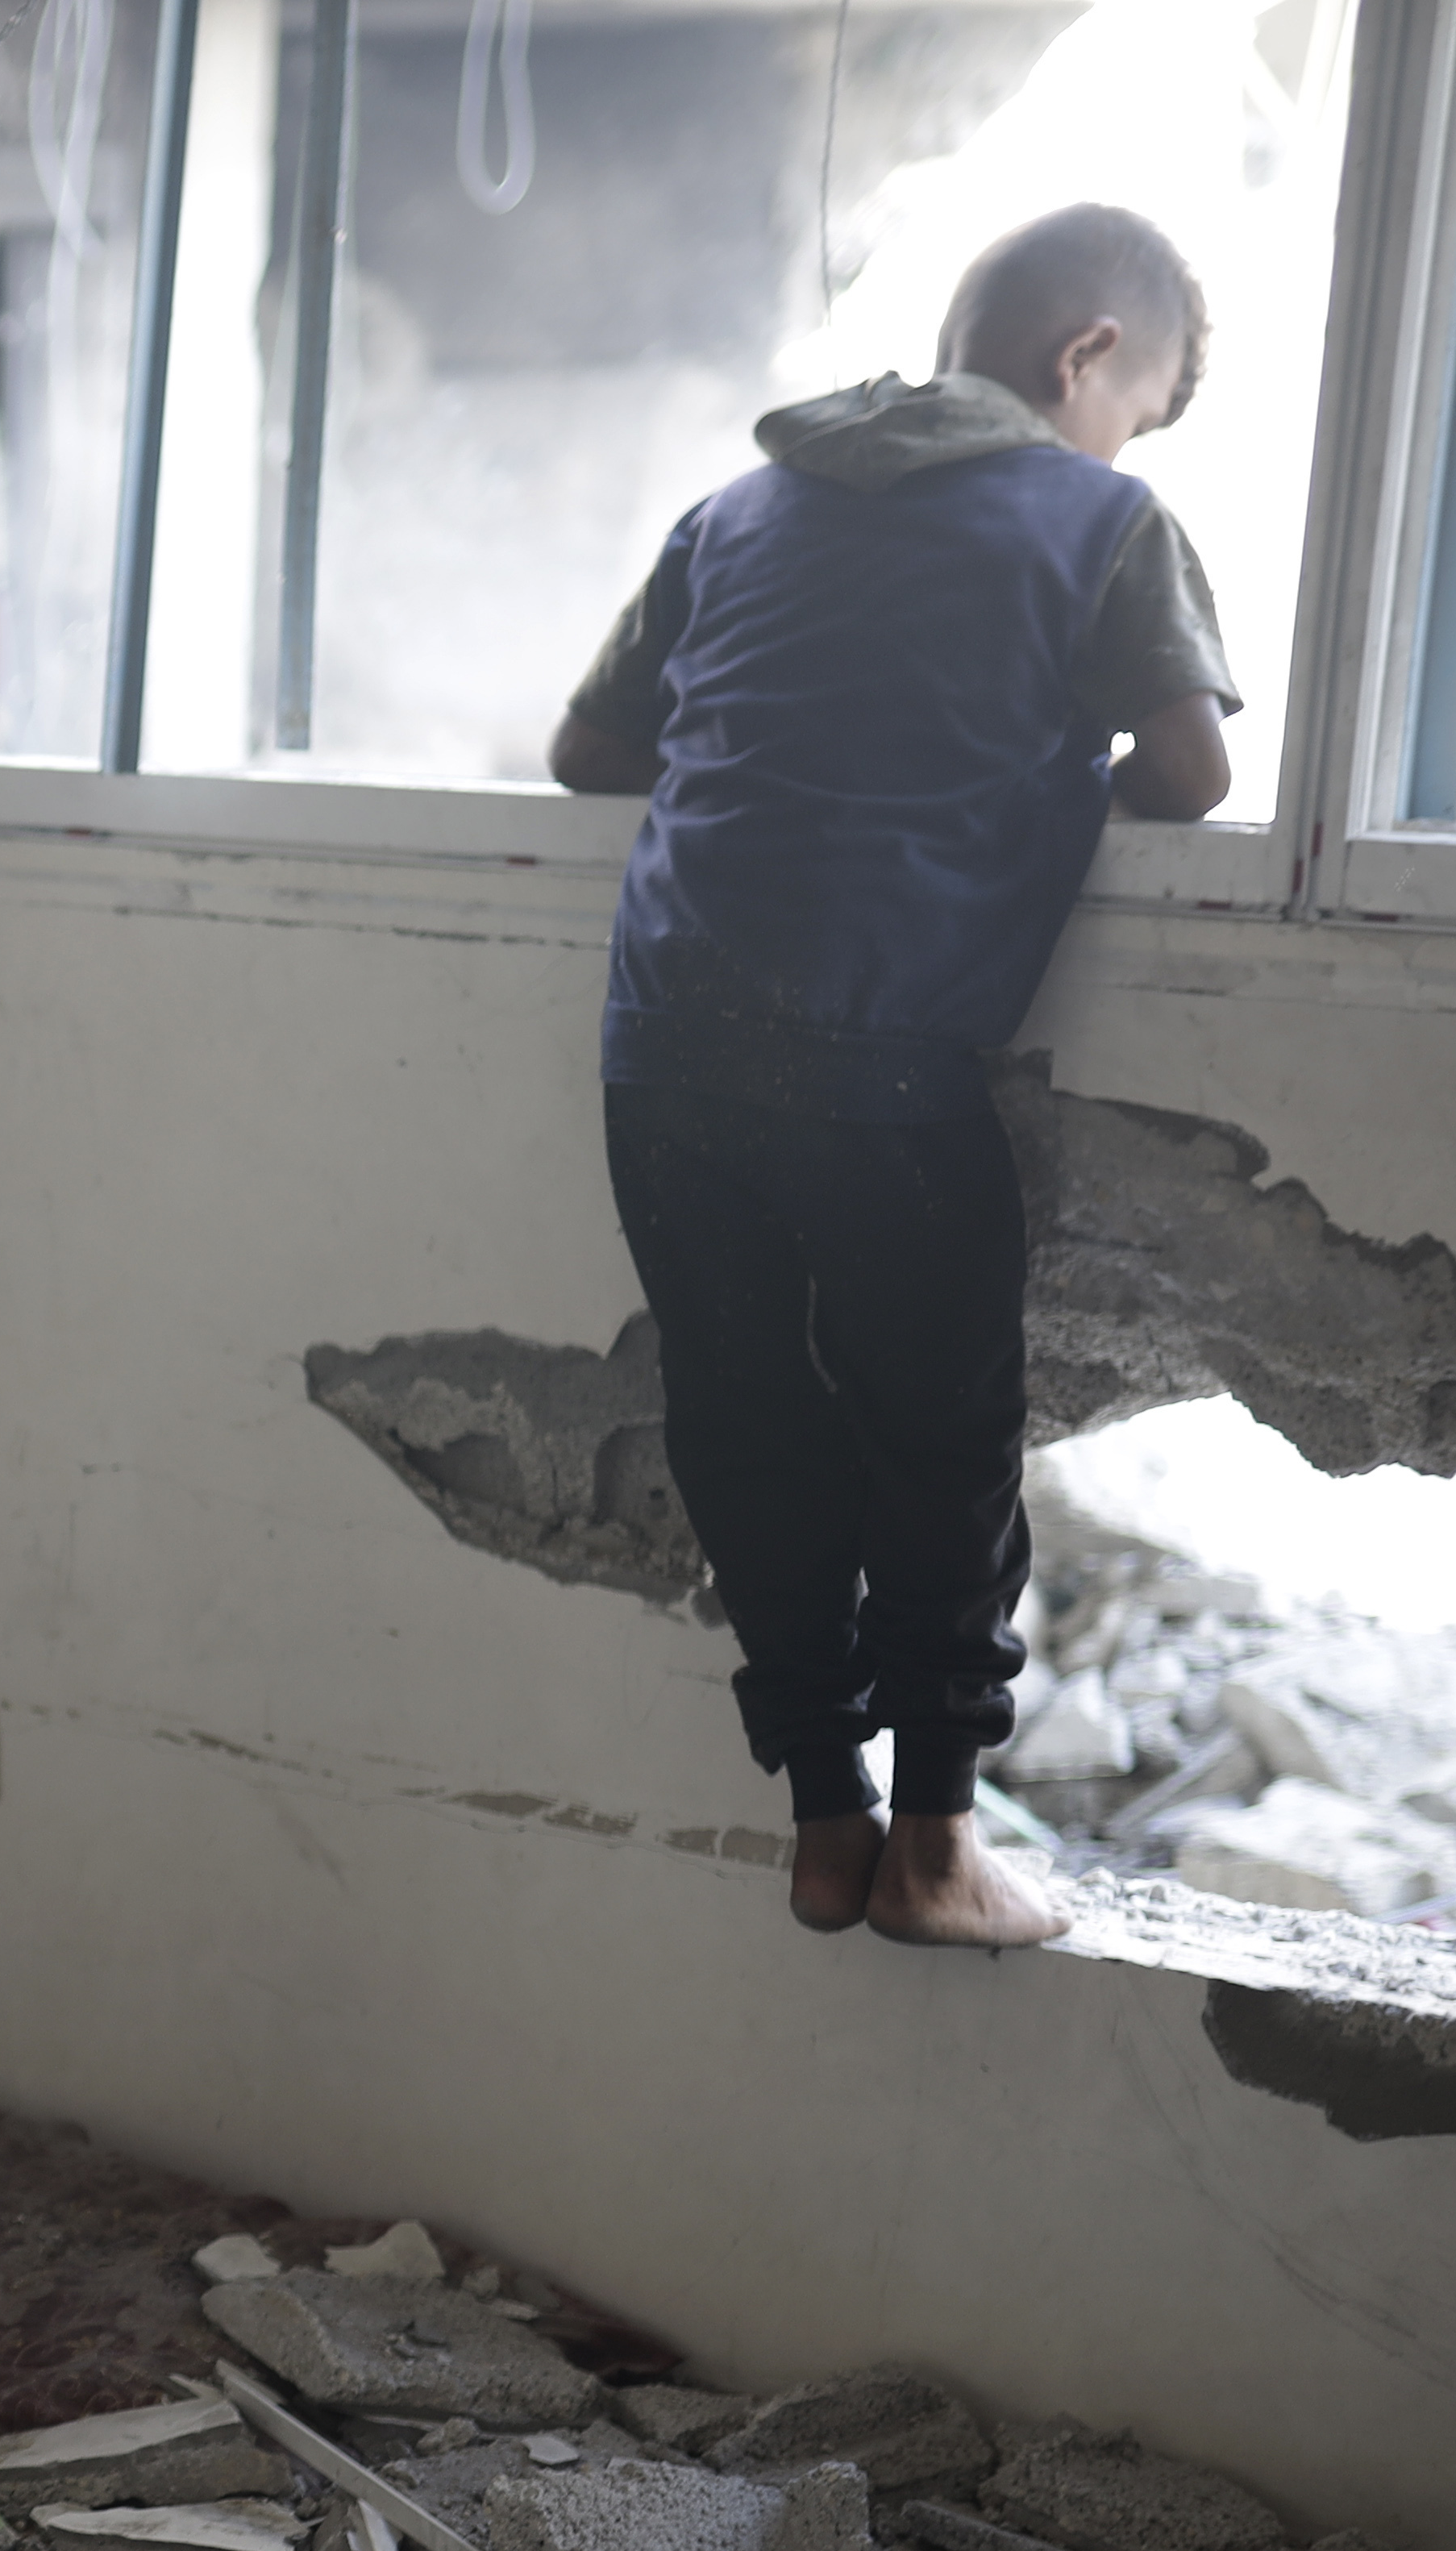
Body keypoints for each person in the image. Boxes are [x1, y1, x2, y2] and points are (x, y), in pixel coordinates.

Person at [547, 202, 1240, 1951]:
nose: (1126, 442)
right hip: (879, 1060)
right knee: (940, 1439)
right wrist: (1032, 767)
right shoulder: (1103, 523)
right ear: (1087, 357)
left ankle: (825, 1821)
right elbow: (1196, 773)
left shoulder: (743, 505)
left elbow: (589, 751)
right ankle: (937, 1843)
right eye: (1139, 404)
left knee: (746, 1418)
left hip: (663, 1048)